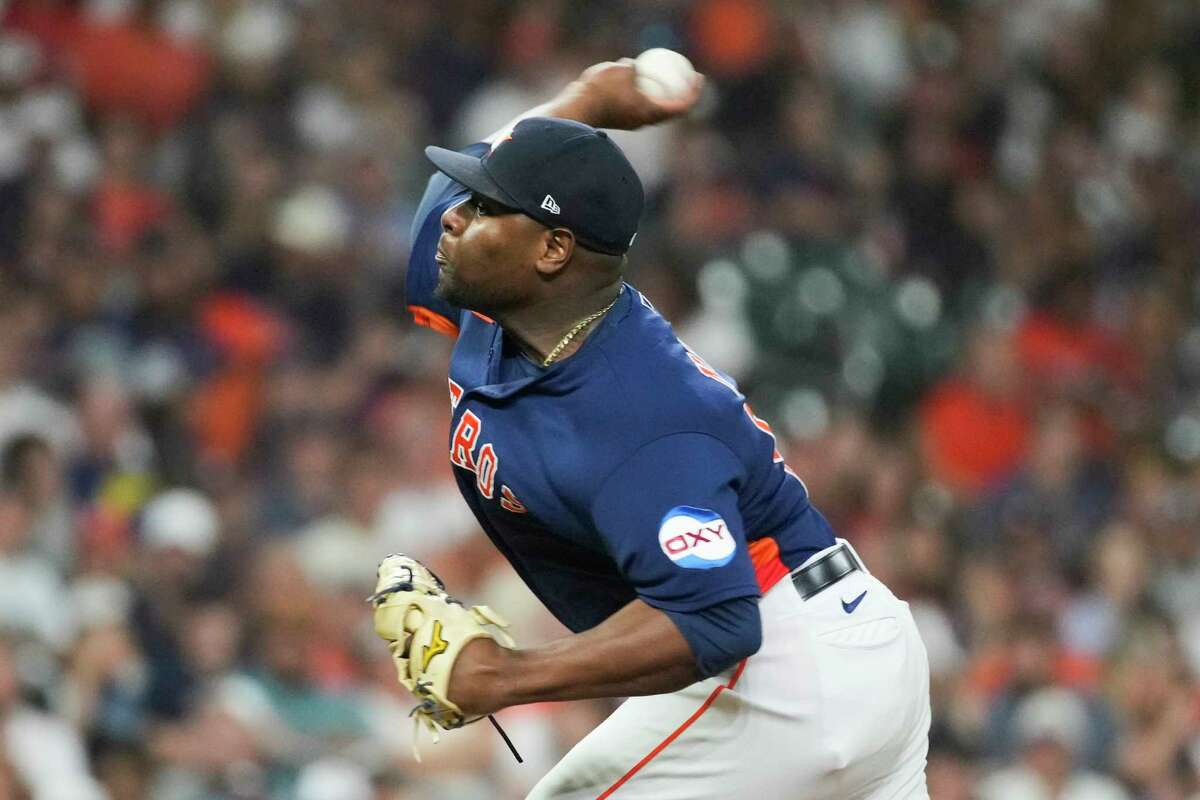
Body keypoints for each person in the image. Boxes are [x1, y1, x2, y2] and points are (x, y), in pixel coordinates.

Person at [400, 58, 931, 799]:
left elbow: (718, 623)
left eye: (486, 208)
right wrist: (581, 103)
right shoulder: (501, 293)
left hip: (790, 668)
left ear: (552, 250)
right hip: (836, 648)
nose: (456, 215)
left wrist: (505, 675)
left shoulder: (644, 418)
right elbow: (442, 204)